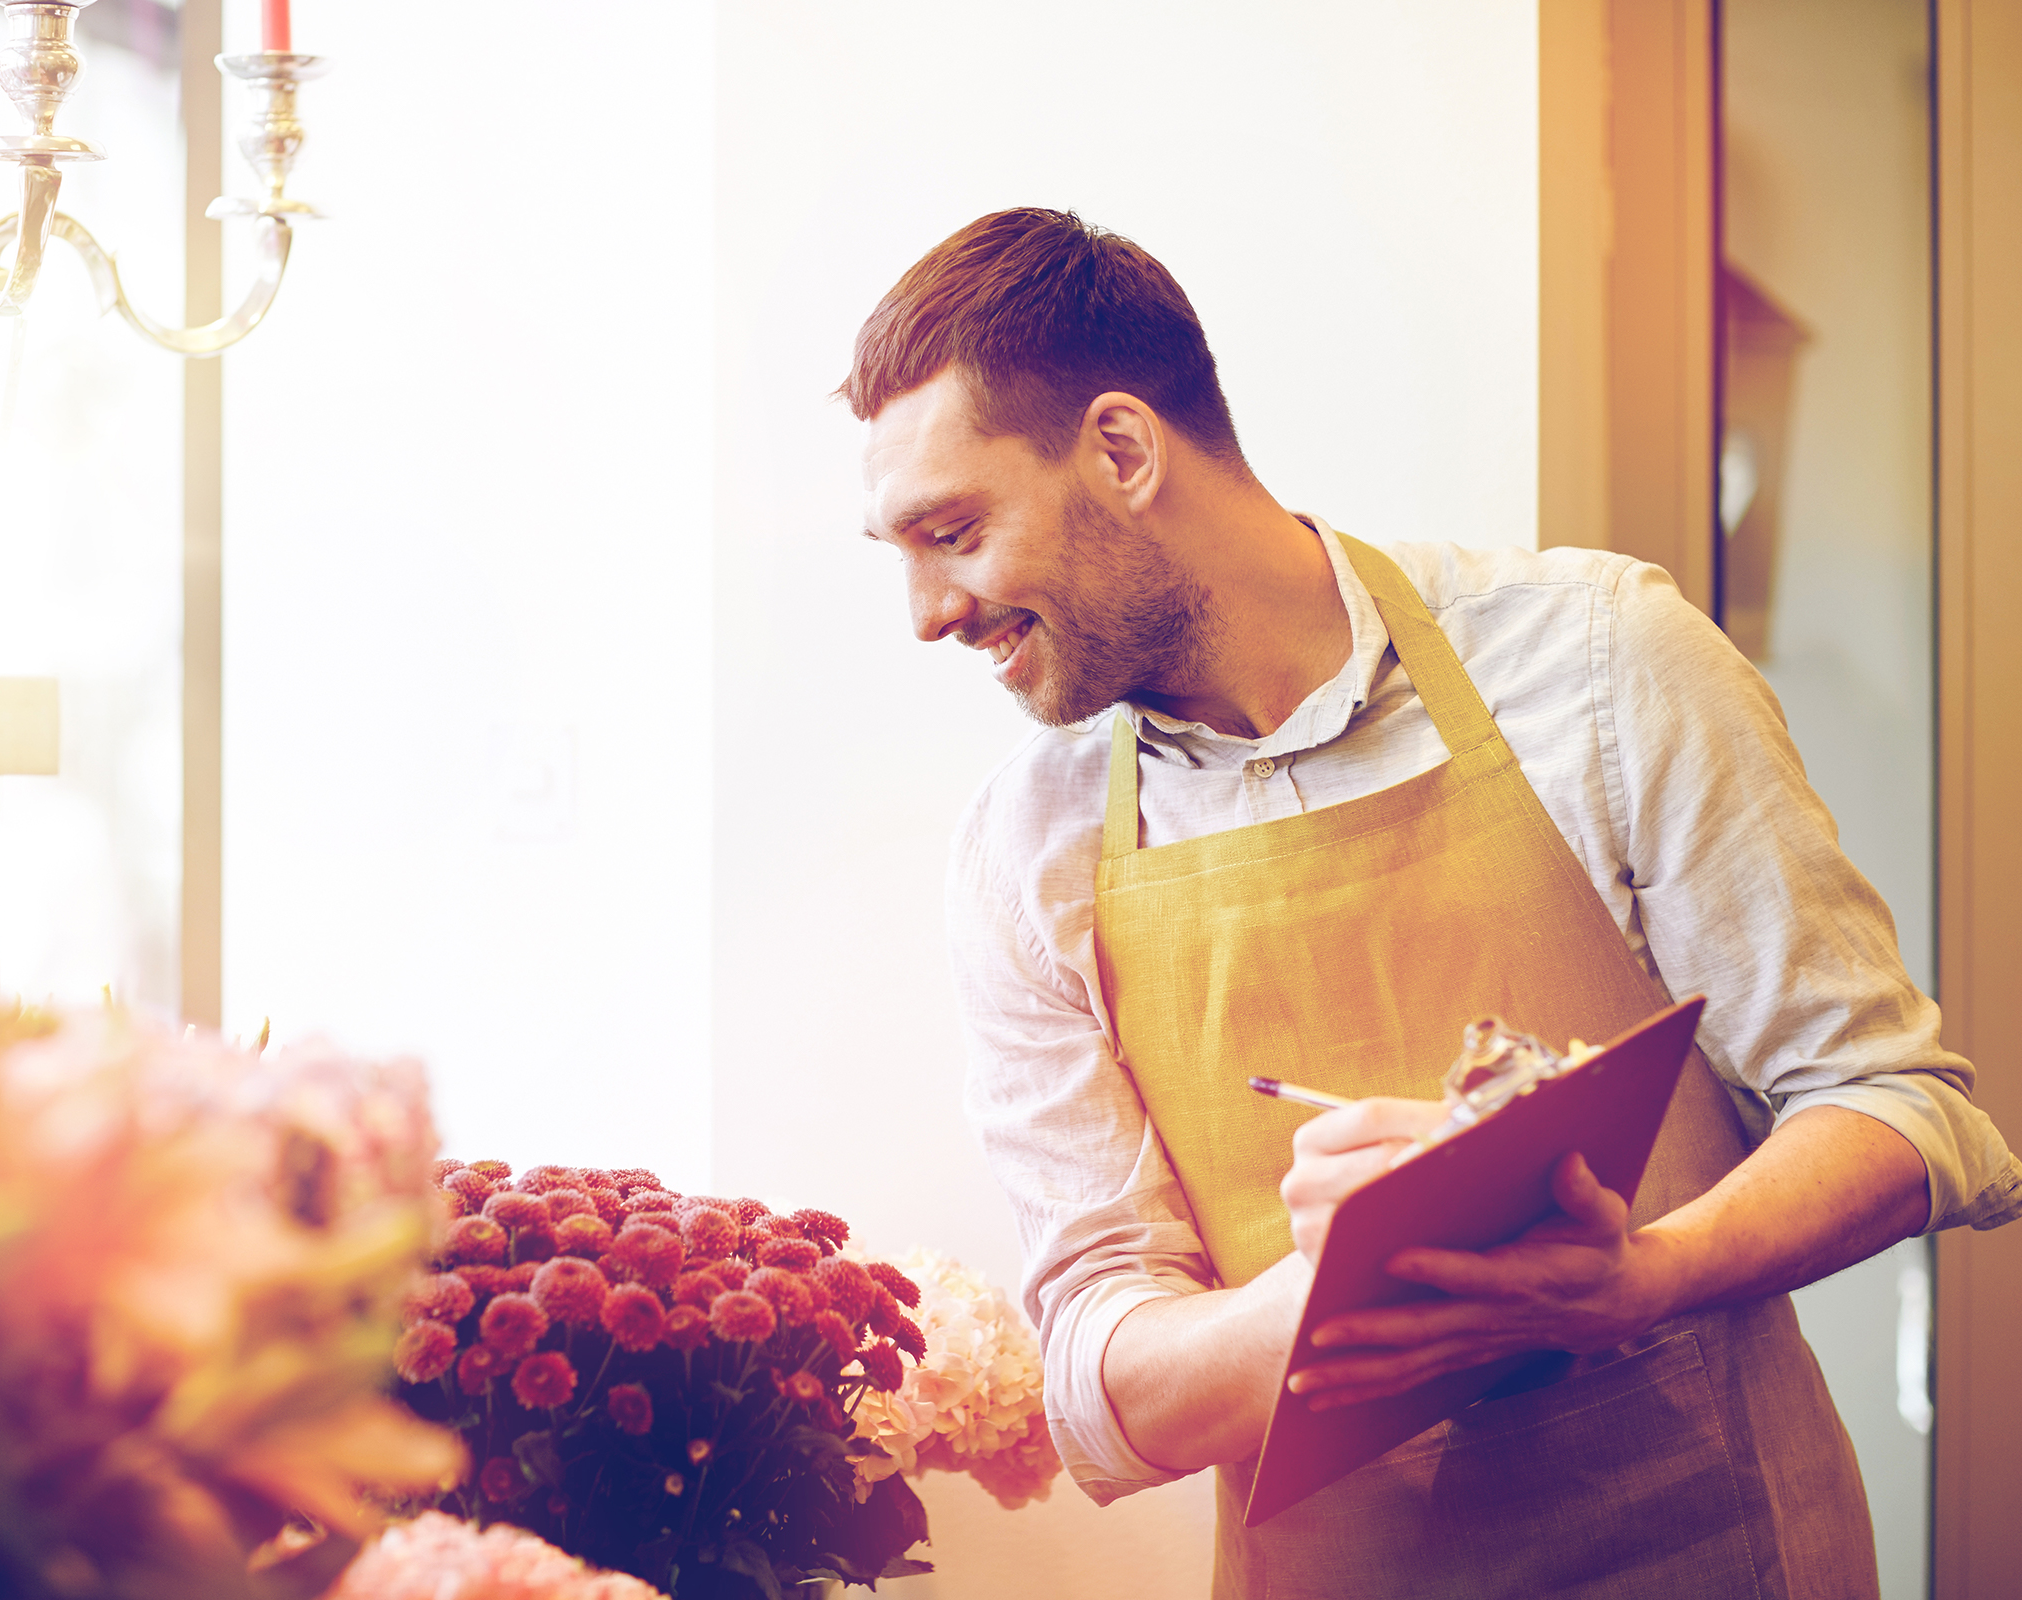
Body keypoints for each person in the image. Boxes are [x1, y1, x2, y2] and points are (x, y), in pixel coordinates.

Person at [841, 208, 2020, 1600]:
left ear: (1121, 448)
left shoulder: (1597, 662)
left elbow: (1911, 1112)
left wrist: (1643, 1273)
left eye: (953, 532)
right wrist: (1350, 1286)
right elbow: (1103, 1390)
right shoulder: (1024, 851)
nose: (925, 610)